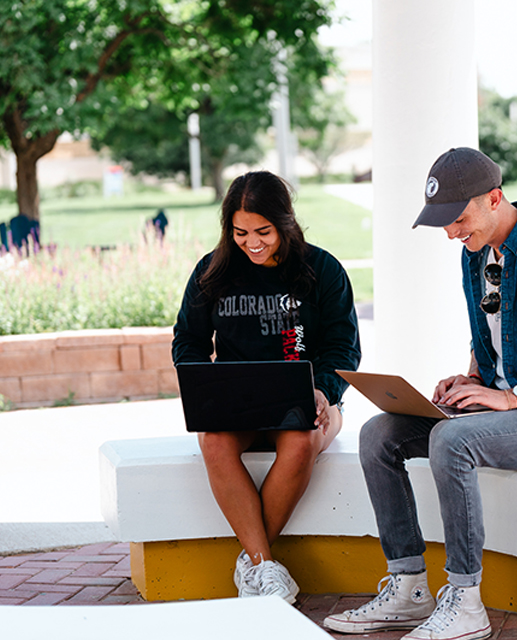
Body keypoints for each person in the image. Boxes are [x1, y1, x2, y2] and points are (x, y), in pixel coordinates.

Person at [324, 148, 517, 640]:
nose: (452, 233)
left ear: (495, 199)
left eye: (458, 219)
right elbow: (491, 337)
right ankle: (409, 587)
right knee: (379, 434)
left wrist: (511, 397)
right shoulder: (475, 253)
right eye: (444, 224)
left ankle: (465, 601)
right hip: (507, 408)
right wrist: (472, 381)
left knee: (452, 442)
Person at [172, 171, 361, 603]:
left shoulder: (323, 270)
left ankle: (253, 562)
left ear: (286, 223)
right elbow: (188, 340)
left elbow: (343, 348)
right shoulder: (212, 271)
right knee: (214, 442)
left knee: (302, 439)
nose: (252, 242)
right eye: (240, 233)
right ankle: (265, 567)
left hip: (309, 402)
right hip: (234, 404)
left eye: (264, 232)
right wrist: (204, 382)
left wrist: (324, 392)